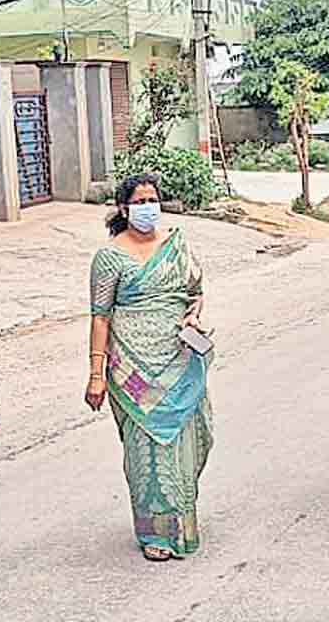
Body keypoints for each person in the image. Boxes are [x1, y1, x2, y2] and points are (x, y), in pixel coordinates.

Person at [86, 173, 214, 562]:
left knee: (191, 441)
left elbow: (196, 293)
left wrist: (194, 314)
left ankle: (182, 523)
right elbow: (100, 318)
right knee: (148, 452)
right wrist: (96, 374)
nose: (148, 207)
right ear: (124, 209)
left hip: (178, 361)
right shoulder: (109, 257)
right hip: (133, 372)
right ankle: (155, 535)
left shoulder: (176, 246)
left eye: (152, 200)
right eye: (139, 201)